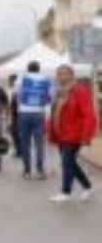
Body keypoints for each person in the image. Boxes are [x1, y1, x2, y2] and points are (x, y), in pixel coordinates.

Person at [47, 64, 96, 203]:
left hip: (74, 133)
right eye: (59, 74)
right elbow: (54, 113)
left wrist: (86, 135)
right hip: (61, 133)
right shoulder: (59, 92)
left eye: (64, 73)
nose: (62, 76)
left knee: (67, 162)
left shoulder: (80, 91)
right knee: (70, 163)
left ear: (71, 75)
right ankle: (88, 186)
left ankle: (65, 192)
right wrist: (50, 130)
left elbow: (88, 114)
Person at [16, 62, 53, 179]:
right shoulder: (47, 80)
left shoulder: (21, 78)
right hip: (39, 113)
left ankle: (27, 171)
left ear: (28, 69)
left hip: (24, 113)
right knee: (39, 144)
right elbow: (49, 97)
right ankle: (40, 170)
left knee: (25, 143)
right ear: (39, 69)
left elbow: (16, 93)